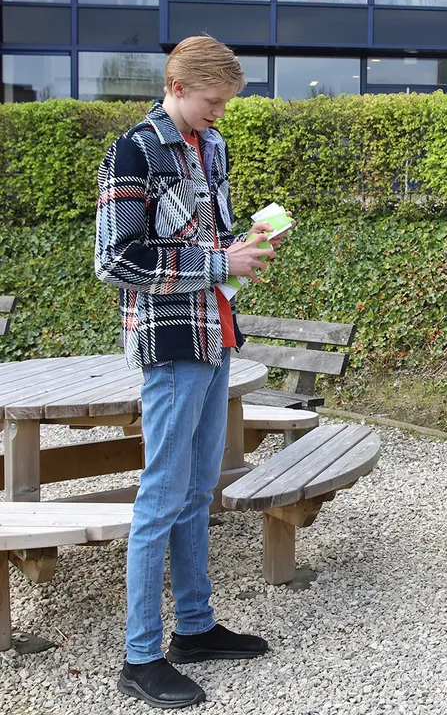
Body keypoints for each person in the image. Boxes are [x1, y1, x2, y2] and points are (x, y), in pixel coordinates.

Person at [95, 35, 288, 709]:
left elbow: (212, 238)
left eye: (226, 104)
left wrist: (246, 247)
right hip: (171, 340)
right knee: (161, 496)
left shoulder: (213, 146)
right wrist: (218, 263)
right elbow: (116, 260)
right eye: (213, 101)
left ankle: (196, 628)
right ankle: (140, 657)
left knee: (197, 489)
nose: (220, 114)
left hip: (216, 332)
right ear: (177, 87)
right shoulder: (133, 151)